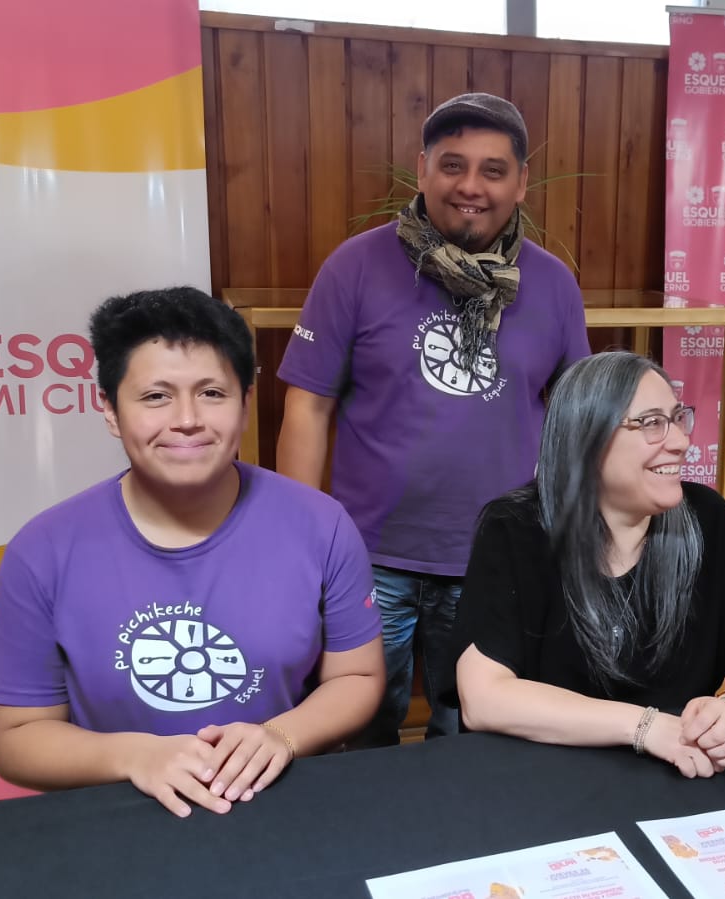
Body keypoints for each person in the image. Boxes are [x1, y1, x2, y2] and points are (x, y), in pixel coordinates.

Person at [0, 287, 383, 817]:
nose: (187, 419)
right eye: (155, 396)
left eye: (212, 393)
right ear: (109, 410)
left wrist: (280, 736)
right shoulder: (43, 550)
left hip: (279, 800)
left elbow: (357, 676)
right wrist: (134, 756)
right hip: (120, 813)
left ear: (244, 402)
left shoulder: (321, 524)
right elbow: (16, 736)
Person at [276, 92, 590, 746]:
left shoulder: (554, 285)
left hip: (496, 558)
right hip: (367, 560)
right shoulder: (354, 267)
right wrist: (308, 545)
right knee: (356, 737)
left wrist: (566, 537)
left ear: (521, 181)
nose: (470, 186)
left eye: (492, 170)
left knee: (476, 738)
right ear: (421, 170)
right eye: (452, 165)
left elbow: (574, 419)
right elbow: (307, 404)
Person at [454, 352, 725, 777]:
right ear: (587, 439)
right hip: (545, 780)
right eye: (651, 423)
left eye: (677, 418)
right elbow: (483, 697)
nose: (680, 441)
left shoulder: (710, 519)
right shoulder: (517, 529)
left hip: (678, 775)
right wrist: (645, 727)